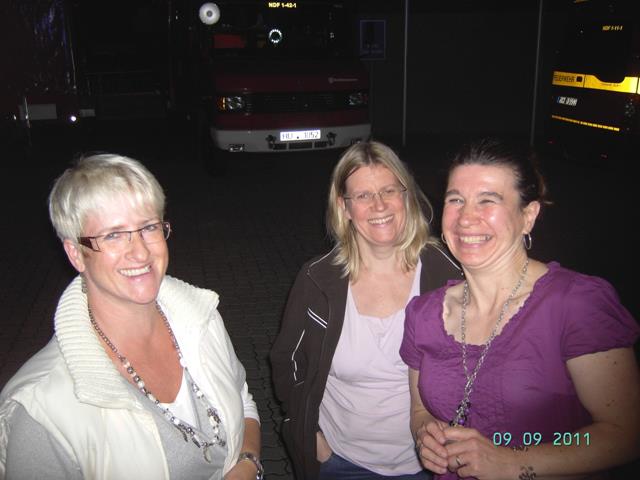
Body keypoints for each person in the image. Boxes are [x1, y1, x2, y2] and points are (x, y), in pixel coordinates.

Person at [0, 154, 263, 480]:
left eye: (148, 227)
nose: (140, 252)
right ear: (76, 254)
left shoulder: (202, 319)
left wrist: (248, 462)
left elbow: (241, 399)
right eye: (113, 235)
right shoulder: (42, 409)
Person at [401, 138, 640, 479]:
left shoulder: (576, 304)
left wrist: (512, 462)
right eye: (456, 200)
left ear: (528, 216)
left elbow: (625, 434)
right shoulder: (423, 314)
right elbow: (419, 411)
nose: (466, 218)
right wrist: (425, 433)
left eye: (488, 200)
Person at [270, 141, 461, 479]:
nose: (379, 205)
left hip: (431, 464)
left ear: (406, 196)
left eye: (389, 190)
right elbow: (288, 361)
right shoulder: (318, 280)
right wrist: (311, 434)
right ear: (344, 207)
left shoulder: (446, 273)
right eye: (363, 195)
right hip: (341, 460)